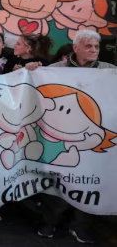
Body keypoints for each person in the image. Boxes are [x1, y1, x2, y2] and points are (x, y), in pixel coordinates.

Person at [40, 30, 111, 243]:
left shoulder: (109, 72)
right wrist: (33, 70)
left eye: (96, 47)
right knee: (58, 181)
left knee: (89, 181)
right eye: (89, 46)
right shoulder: (56, 71)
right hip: (62, 136)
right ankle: (49, 222)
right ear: (76, 48)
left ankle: (80, 226)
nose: (94, 50)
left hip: (91, 139)